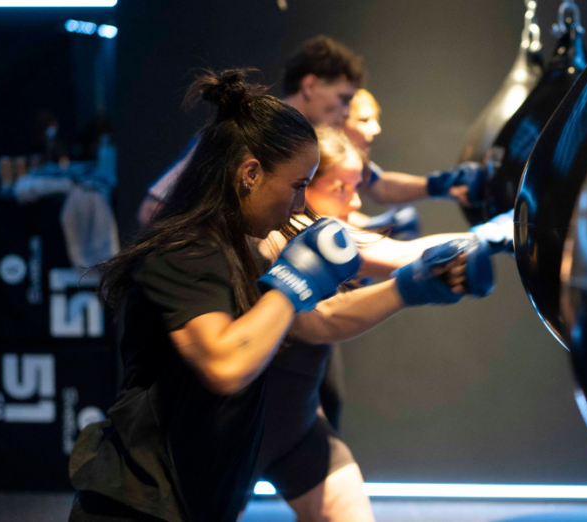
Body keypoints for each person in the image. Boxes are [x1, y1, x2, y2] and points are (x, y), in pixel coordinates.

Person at [68, 68, 494, 522]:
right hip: (138, 506)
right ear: (250, 174)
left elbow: (318, 321)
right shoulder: (186, 249)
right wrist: (292, 284)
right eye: (297, 186)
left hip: (200, 497)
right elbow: (224, 364)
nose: (299, 205)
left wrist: (409, 288)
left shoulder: (242, 246)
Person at [247, 126, 509, 522]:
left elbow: (382, 221)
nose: (353, 201)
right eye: (340, 188)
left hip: (296, 426)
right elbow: (399, 256)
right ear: (303, 186)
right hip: (238, 429)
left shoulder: (320, 225)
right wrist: (488, 236)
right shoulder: (293, 228)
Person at [138, 35, 486, 227]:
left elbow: (374, 184)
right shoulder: (248, 133)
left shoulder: (319, 144)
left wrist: (441, 185)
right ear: (310, 85)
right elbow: (153, 209)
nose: (348, 111)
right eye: (342, 98)